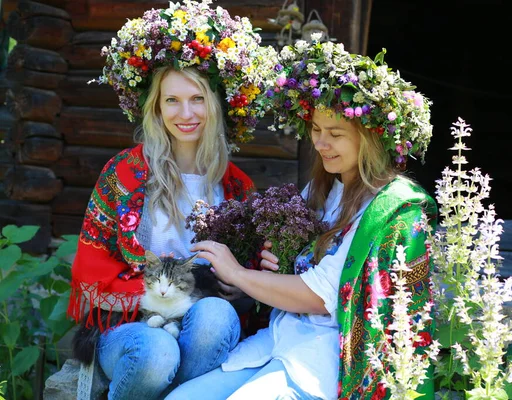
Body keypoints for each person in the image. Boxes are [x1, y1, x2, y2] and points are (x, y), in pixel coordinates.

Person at [167, 36, 437, 400]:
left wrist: (237, 273)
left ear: (370, 138)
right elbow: (294, 265)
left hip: (324, 358)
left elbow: (319, 297)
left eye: (335, 134)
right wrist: (275, 262)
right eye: (316, 130)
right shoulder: (325, 188)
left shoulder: (385, 208)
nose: (321, 143)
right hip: (281, 340)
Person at [67, 1, 278, 399]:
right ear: (156, 109)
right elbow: (91, 270)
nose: (186, 113)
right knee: (157, 350)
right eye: (172, 101)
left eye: (197, 99)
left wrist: (240, 288)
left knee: (215, 315)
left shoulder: (237, 188)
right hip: (134, 326)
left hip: (202, 331)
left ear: (215, 104)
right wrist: (158, 302)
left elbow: (249, 278)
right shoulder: (124, 176)